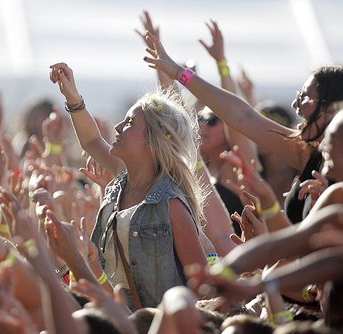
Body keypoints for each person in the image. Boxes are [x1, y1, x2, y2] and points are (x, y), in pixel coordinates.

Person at [49, 62, 207, 309]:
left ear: (151, 141)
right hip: (114, 321)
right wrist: (72, 96)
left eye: (130, 123)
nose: (118, 127)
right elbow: (91, 141)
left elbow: (202, 283)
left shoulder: (171, 204)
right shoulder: (122, 182)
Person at [142, 33, 343, 223]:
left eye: (305, 98)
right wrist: (179, 74)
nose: (295, 105)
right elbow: (242, 116)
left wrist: (332, 202)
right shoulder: (308, 154)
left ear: (333, 108)